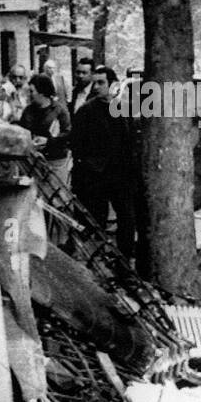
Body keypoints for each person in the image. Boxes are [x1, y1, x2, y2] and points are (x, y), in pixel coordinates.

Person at [70, 65, 136, 260]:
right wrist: (89, 166)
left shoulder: (124, 108)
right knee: (95, 221)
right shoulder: (86, 111)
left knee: (126, 218)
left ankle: (124, 258)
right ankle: (98, 260)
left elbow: (131, 139)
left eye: (101, 82)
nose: (97, 87)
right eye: (95, 82)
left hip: (121, 174)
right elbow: (76, 144)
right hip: (96, 176)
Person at [19, 73, 72, 186]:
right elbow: (22, 132)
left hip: (56, 162)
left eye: (32, 91)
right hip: (34, 163)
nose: (29, 95)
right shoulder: (28, 111)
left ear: (42, 92)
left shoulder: (59, 110)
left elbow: (68, 134)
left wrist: (48, 141)